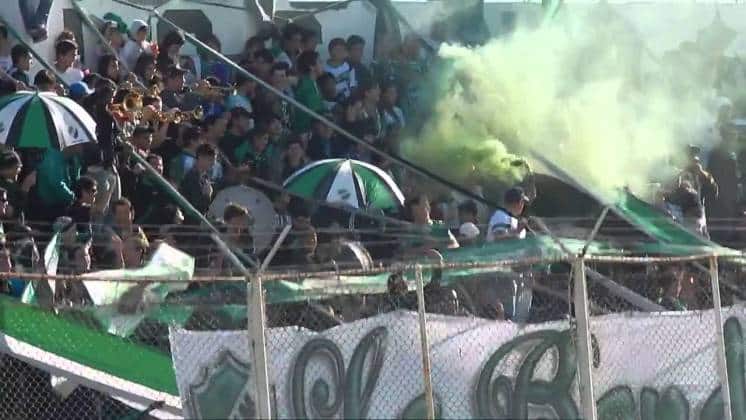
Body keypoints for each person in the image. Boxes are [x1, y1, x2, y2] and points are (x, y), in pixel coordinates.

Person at [179, 143, 217, 220]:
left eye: (214, 160)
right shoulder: (191, 177)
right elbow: (196, 205)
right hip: (190, 221)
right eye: (210, 159)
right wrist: (207, 195)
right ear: (200, 158)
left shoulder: (205, 177)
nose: (213, 163)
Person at [292, 50, 324, 134]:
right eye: (320, 62)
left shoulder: (314, 83)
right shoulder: (306, 85)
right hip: (305, 131)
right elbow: (315, 110)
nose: (322, 65)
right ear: (311, 66)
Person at [0, 150, 34, 221]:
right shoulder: (3, 187)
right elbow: (11, 213)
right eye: (17, 167)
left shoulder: (11, 182)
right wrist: (25, 189)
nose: (19, 170)